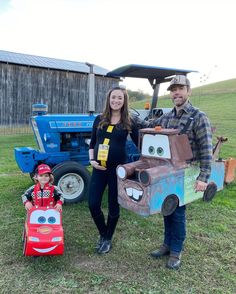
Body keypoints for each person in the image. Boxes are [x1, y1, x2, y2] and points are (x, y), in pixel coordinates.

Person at [149, 75, 212, 269]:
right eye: (173, 89)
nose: (176, 92)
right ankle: (167, 245)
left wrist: (203, 177)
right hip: (168, 171)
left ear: (188, 91)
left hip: (186, 172)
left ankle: (176, 251)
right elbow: (150, 126)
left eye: (180, 88)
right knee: (166, 208)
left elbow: (206, 149)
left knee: (178, 212)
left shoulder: (198, 117)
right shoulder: (167, 117)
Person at [88, 86, 140, 254]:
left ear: (124, 101)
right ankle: (104, 234)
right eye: (113, 97)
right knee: (93, 203)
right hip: (99, 168)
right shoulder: (99, 119)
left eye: (119, 98)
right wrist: (91, 160)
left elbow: (141, 142)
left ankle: (107, 239)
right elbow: (92, 143)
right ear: (108, 99)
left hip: (117, 171)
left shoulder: (129, 121)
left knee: (113, 205)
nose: (116, 100)